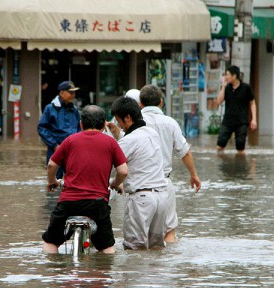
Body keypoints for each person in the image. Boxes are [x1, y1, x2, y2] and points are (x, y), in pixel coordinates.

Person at [42, 105, 129, 254]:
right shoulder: (111, 143)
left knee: (51, 242)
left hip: (68, 203)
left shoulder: (70, 140)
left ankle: (53, 273)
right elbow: (123, 171)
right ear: (103, 125)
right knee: (107, 248)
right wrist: (115, 184)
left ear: (81, 124)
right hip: (97, 204)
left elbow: (51, 165)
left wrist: (52, 181)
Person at [139, 84, 202, 243]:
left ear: (140, 104)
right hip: (164, 183)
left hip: (139, 185)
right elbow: (184, 152)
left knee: (139, 237)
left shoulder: (135, 122)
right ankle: (167, 266)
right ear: (161, 102)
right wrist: (194, 175)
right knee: (169, 232)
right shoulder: (170, 123)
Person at [109, 97, 169, 250]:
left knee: (134, 249)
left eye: (118, 121)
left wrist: (115, 183)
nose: (119, 126)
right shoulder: (152, 133)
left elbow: (115, 167)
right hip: (162, 197)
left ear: (128, 117)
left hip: (141, 199)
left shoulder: (128, 141)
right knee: (157, 248)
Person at [38, 81, 81, 179]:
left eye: (74, 93)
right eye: (70, 92)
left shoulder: (74, 110)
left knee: (73, 178)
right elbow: (42, 128)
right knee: (54, 179)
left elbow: (79, 128)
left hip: (72, 151)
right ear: (61, 93)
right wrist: (54, 145)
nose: (73, 95)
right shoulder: (50, 109)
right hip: (55, 149)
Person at [216, 65, 257, 155]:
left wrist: (254, 119)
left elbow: (252, 103)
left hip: (241, 121)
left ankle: (241, 166)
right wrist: (223, 87)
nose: (226, 77)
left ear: (234, 76)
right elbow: (219, 101)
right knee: (220, 145)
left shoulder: (246, 88)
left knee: (240, 147)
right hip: (228, 121)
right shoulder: (227, 88)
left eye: (227, 75)